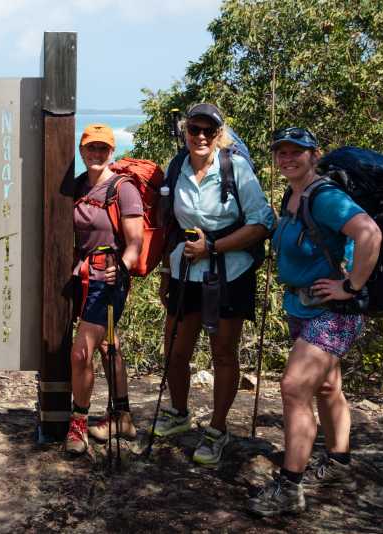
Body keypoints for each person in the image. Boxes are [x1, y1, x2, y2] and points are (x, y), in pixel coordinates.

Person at [248, 127, 381, 516]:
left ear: (314, 154)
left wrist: (351, 286)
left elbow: (368, 232)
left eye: (297, 152)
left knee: (293, 388)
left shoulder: (324, 197)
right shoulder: (294, 194)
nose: (288, 158)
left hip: (333, 310)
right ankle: (339, 460)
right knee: (325, 386)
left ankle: (290, 487)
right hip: (304, 306)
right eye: (282, 152)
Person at [153, 103, 275, 465]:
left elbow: (263, 221)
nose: (201, 136)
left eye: (209, 130)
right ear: (185, 131)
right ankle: (178, 413)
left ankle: (218, 429)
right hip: (184, 270)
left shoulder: (235, 168)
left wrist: (214, 247)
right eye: (195, 129)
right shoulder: (178, 167)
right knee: (176, 349)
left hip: (230, 271)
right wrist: (164, 272)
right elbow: (169, 225)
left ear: (219, 133)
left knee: (222, 352)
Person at [64, 125, 145, 454]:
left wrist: (121, 268)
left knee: (80, 352)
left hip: (109, 280)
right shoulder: (78, 186)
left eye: (103, 149)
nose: (96, 154)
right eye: (90, 148)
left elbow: (135, 242)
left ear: (112, 152)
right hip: (83, 276)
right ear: (82, 151)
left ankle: (78, 424)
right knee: (108, 346)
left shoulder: (123, 189)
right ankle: (122, 417)